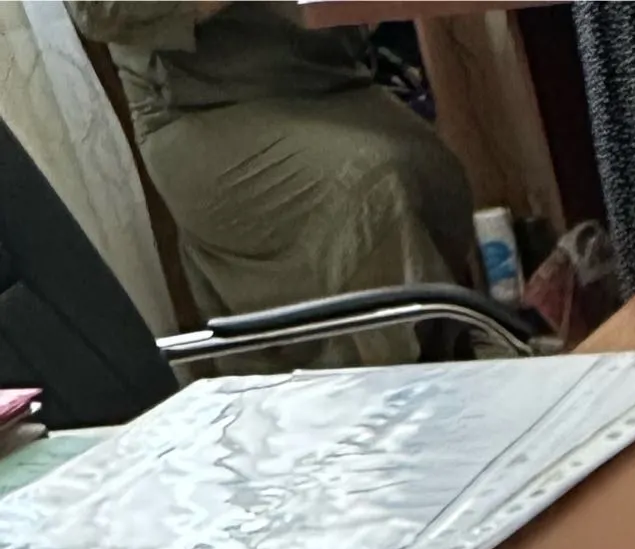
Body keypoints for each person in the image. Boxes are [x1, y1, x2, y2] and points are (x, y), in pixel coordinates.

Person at [69, 1, 472, 351]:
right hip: (204, 109)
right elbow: (98, 10)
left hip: (327, 81)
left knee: (439, 174)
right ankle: (405, 386)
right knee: (371, 190)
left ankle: (454, 359)